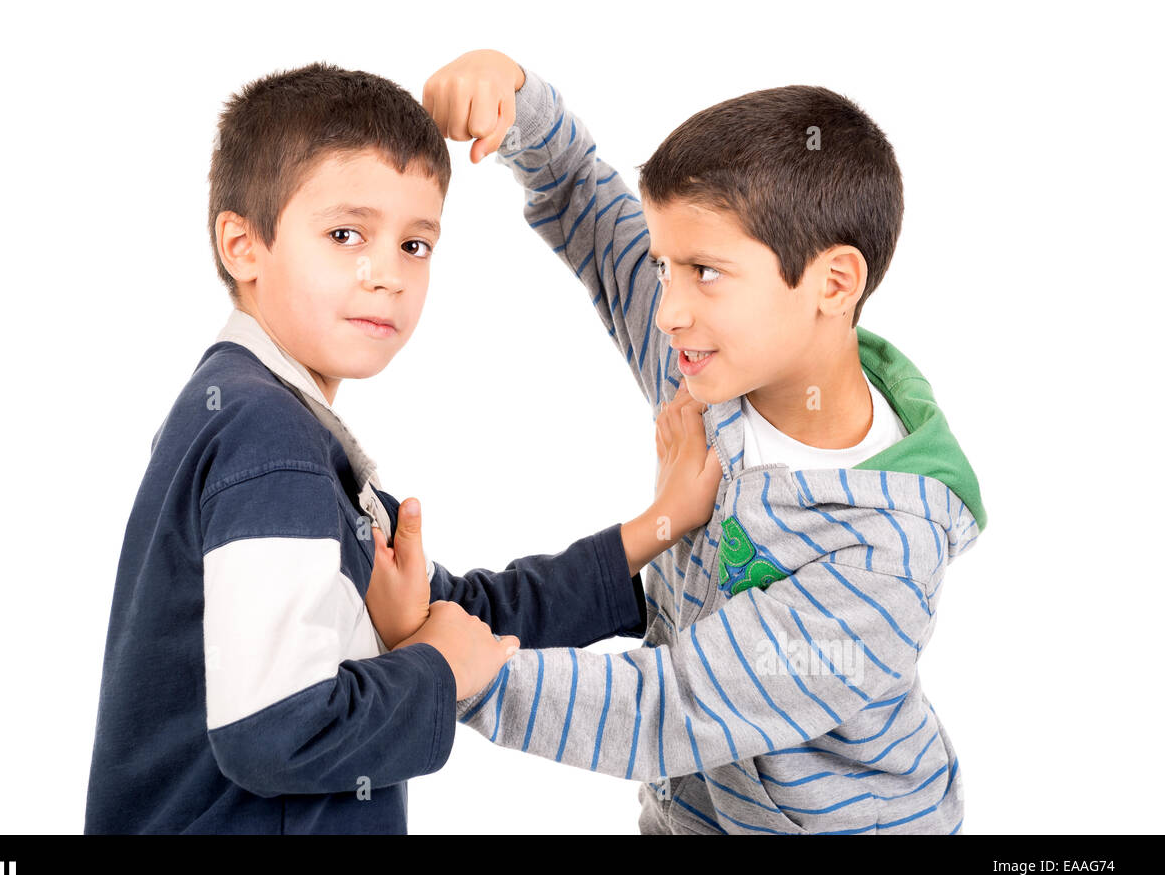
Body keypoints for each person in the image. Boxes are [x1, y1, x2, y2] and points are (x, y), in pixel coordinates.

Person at [83, 60, 721, 834]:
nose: (385, 273)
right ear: (243, 244)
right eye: (346, 234)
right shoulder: (266, 436)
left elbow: (453, 611)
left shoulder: (260, 417)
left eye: (416, 245)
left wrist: (658, 525)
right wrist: (439, 666)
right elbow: (275, 733)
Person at [417, 50, 988, 834]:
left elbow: (675, 706)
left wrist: (466, 678)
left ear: (834, 282)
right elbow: (591, 207)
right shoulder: (712, 371)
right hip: (690, 813)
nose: (668, 309)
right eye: (663, 265)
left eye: (704, 271)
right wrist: (517, 101)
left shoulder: (884, 552)